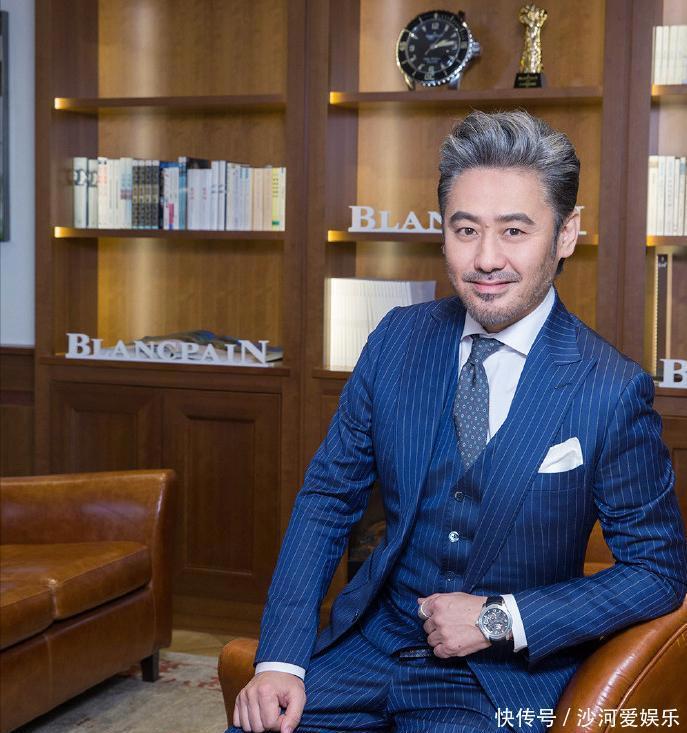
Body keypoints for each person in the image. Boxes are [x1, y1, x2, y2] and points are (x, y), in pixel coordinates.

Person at [229, 110, 687, 733]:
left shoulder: (609, 387)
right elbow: (328, 499)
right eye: (465, 229)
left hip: (497, 681)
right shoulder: (397, 339)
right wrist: (280, 660)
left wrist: (501, 619)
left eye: (515, 231)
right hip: (371, 648)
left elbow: (656, 572)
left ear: (566, 234)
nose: (486, 259)